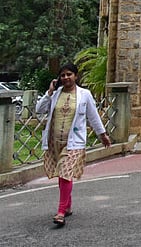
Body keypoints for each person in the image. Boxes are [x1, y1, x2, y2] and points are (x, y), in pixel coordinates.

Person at [35, 63, 112, 227]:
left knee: (65, 171)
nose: (66, 78)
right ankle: (67, 205)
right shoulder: (55, 94)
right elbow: (39, 109)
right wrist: (49, 92)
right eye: (62, 75)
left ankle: (61, 212)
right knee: (63, 174)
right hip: (54, 142)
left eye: (69, 74)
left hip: (74, 143)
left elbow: (93, 116)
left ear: (76, 76)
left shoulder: (84, 95)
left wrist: (102, 134)